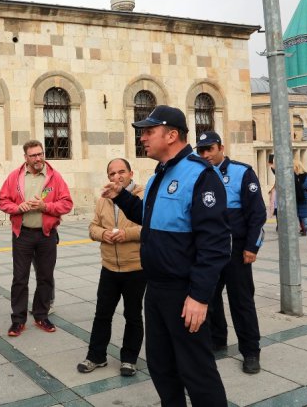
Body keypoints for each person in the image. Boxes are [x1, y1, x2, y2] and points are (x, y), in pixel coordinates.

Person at [103, 105, 230, 406]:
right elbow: (150, 217)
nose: (143, 137)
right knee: (162, 367)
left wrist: (199, 296)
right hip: (156, 289)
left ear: (172, 135)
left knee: (197, 372)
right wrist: (120, 196)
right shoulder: (160, 174)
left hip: (184, 292)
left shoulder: (201, 176)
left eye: (149, 131)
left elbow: (215, 244)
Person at [197, 131, 266, 374]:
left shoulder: (241, 172)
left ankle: (251, 351)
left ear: (221, 148)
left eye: (210, 149)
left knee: (242, 302)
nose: (206, 154)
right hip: (209, 250)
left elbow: (257, 214)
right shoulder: (198, 174)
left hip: (236, 251)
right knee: (209, 298)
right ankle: (218, 339)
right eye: (201, 150)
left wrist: (251, 246)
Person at [0, 140, 73, 336]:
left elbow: (66, 204)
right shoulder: (15, 177)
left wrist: (45, 207)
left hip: (47, 234)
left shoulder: (54, 177)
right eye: (33, 155)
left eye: (40, 154)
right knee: (20, 278)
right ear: (26, 158)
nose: (38, 158)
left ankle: (41, 315)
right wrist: (17, 208)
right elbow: (2, 201)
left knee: (45, 277)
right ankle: (18, 319)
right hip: (22, 234)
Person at [77, 158, 145, 376]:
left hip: (135, 267)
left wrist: (127, 234)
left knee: (133, 315)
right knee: (102, 314)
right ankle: (96, 356)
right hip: (109, 267)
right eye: (112, 174)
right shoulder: (103, 199)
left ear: (131, 173)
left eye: (121, 172)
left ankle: (129, 359)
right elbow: (92, 227)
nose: (116, 177)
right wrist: (102, 234)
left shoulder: (143, 195)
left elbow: (152, 227)